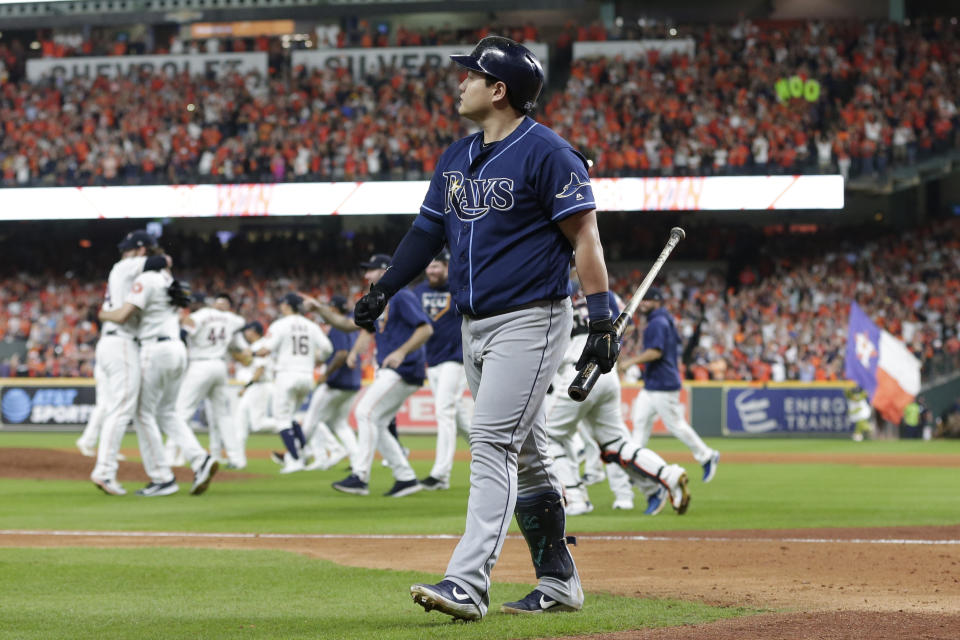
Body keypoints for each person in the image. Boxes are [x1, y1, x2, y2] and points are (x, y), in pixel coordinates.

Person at [350, 37, 614, 620]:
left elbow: (585, 236)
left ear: (499, 89)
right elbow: (425, 235)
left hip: (532, 317)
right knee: (529, 457)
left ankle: (467, 582)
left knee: (491, 439)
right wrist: (385, 287)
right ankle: (559, 580)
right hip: (475, 325)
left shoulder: (549, 153)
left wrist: (601, 314)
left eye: (471, 74)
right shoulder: (456, 156)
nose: (460, 82)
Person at [545, 278, 690, 517]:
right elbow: (626, 325)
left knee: (547, 436)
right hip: (606, 369)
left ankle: (574, 497)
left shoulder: (556, 288)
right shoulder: (601, 291)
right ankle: (667, 476)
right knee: (615, 444)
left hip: (578, 370)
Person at [98, 255, 219, 497]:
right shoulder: (168, 280)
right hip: (177, 348)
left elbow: (123, 314)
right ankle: (200, 460)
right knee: (167, 413)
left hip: (155, 349)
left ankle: (162, 477)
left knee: (142, 413)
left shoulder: (147, 279)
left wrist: (103, 314)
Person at [330, 253, 432, 498]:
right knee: (377, 421)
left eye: (372, 270)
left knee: (364, 412)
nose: (366, 275)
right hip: (396, 368)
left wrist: (401, 351)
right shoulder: (383, 299)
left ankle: (360, 476)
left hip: (403, 367)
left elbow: (426, 328)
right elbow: (368, 330)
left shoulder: (402, 295)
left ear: (386, 270)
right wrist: (356, 351)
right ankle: (405, 478)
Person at [89, 230, 166, 496]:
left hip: (112, 342)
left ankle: (107, 470)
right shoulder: (126, 265)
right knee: (121, 409)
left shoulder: (121, 269)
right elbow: (164, 261)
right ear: (143, 250)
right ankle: (104, 471)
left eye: (128, 248)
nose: (125, 253)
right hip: (121, 342)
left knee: (117, 407)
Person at [621, 288, 720, 484]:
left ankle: (706, 455)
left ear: (657, 302)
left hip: (663, 383)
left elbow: (655, 352)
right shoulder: (663, 320)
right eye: (642, 300)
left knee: (675, 425)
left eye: (647, 300)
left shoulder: (658, 322)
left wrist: (628, 363)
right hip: (653, 383)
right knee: (640, 424)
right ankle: (636, 467)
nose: (643, 304)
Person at [411, 249, 473, 490]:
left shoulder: (459, 286)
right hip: (432, 360)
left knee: (443, 411)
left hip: (455, 358)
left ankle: (440, 475)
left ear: (448, 267)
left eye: (437, 266)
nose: (432, 270)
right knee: (457, 416)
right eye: (429, 266)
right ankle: (491, 453)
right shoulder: (419, 292)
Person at [256, 293, 333, 473]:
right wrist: (318, 360)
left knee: (282, 420)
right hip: (306, 376)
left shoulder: (280, 324)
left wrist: (252, 353)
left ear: (287, 305)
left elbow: (266, 349)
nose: (281, 307)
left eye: (282, 304)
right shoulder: (311, 325)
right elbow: (328, 348)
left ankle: (295, 460)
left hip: (286, 374)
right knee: (291, 416)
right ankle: (304, 450)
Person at [172, 293, 247, 468]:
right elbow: (240, 330)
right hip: (220, 366)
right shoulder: (232, 319)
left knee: (182, 411)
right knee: (224, 415)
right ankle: (237, 459)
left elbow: (184, 330)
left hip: (200, 364)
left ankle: (173, 455)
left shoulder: (202, 314)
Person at [298, 294, 362, 472]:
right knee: (340, 423)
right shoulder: (352, 325)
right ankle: (357, 461)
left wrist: (326, 373)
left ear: (334, 309)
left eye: (330, 308)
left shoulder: (338, 326)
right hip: (353, 381)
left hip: (337, 382)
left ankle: (296, 456)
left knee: (311, 419)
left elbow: (341, 354)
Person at [233, 321, 273, 468]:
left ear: (254, 331)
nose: (245, 333)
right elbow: (247, 362)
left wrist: (247, 386)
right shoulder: (254, 346)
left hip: (259, 386)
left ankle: (288, 424)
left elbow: (259, 370)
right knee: (240, 421)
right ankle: (239, 460)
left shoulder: (260, 345)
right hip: (255, 386)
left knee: (258, 424)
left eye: (248, 330)